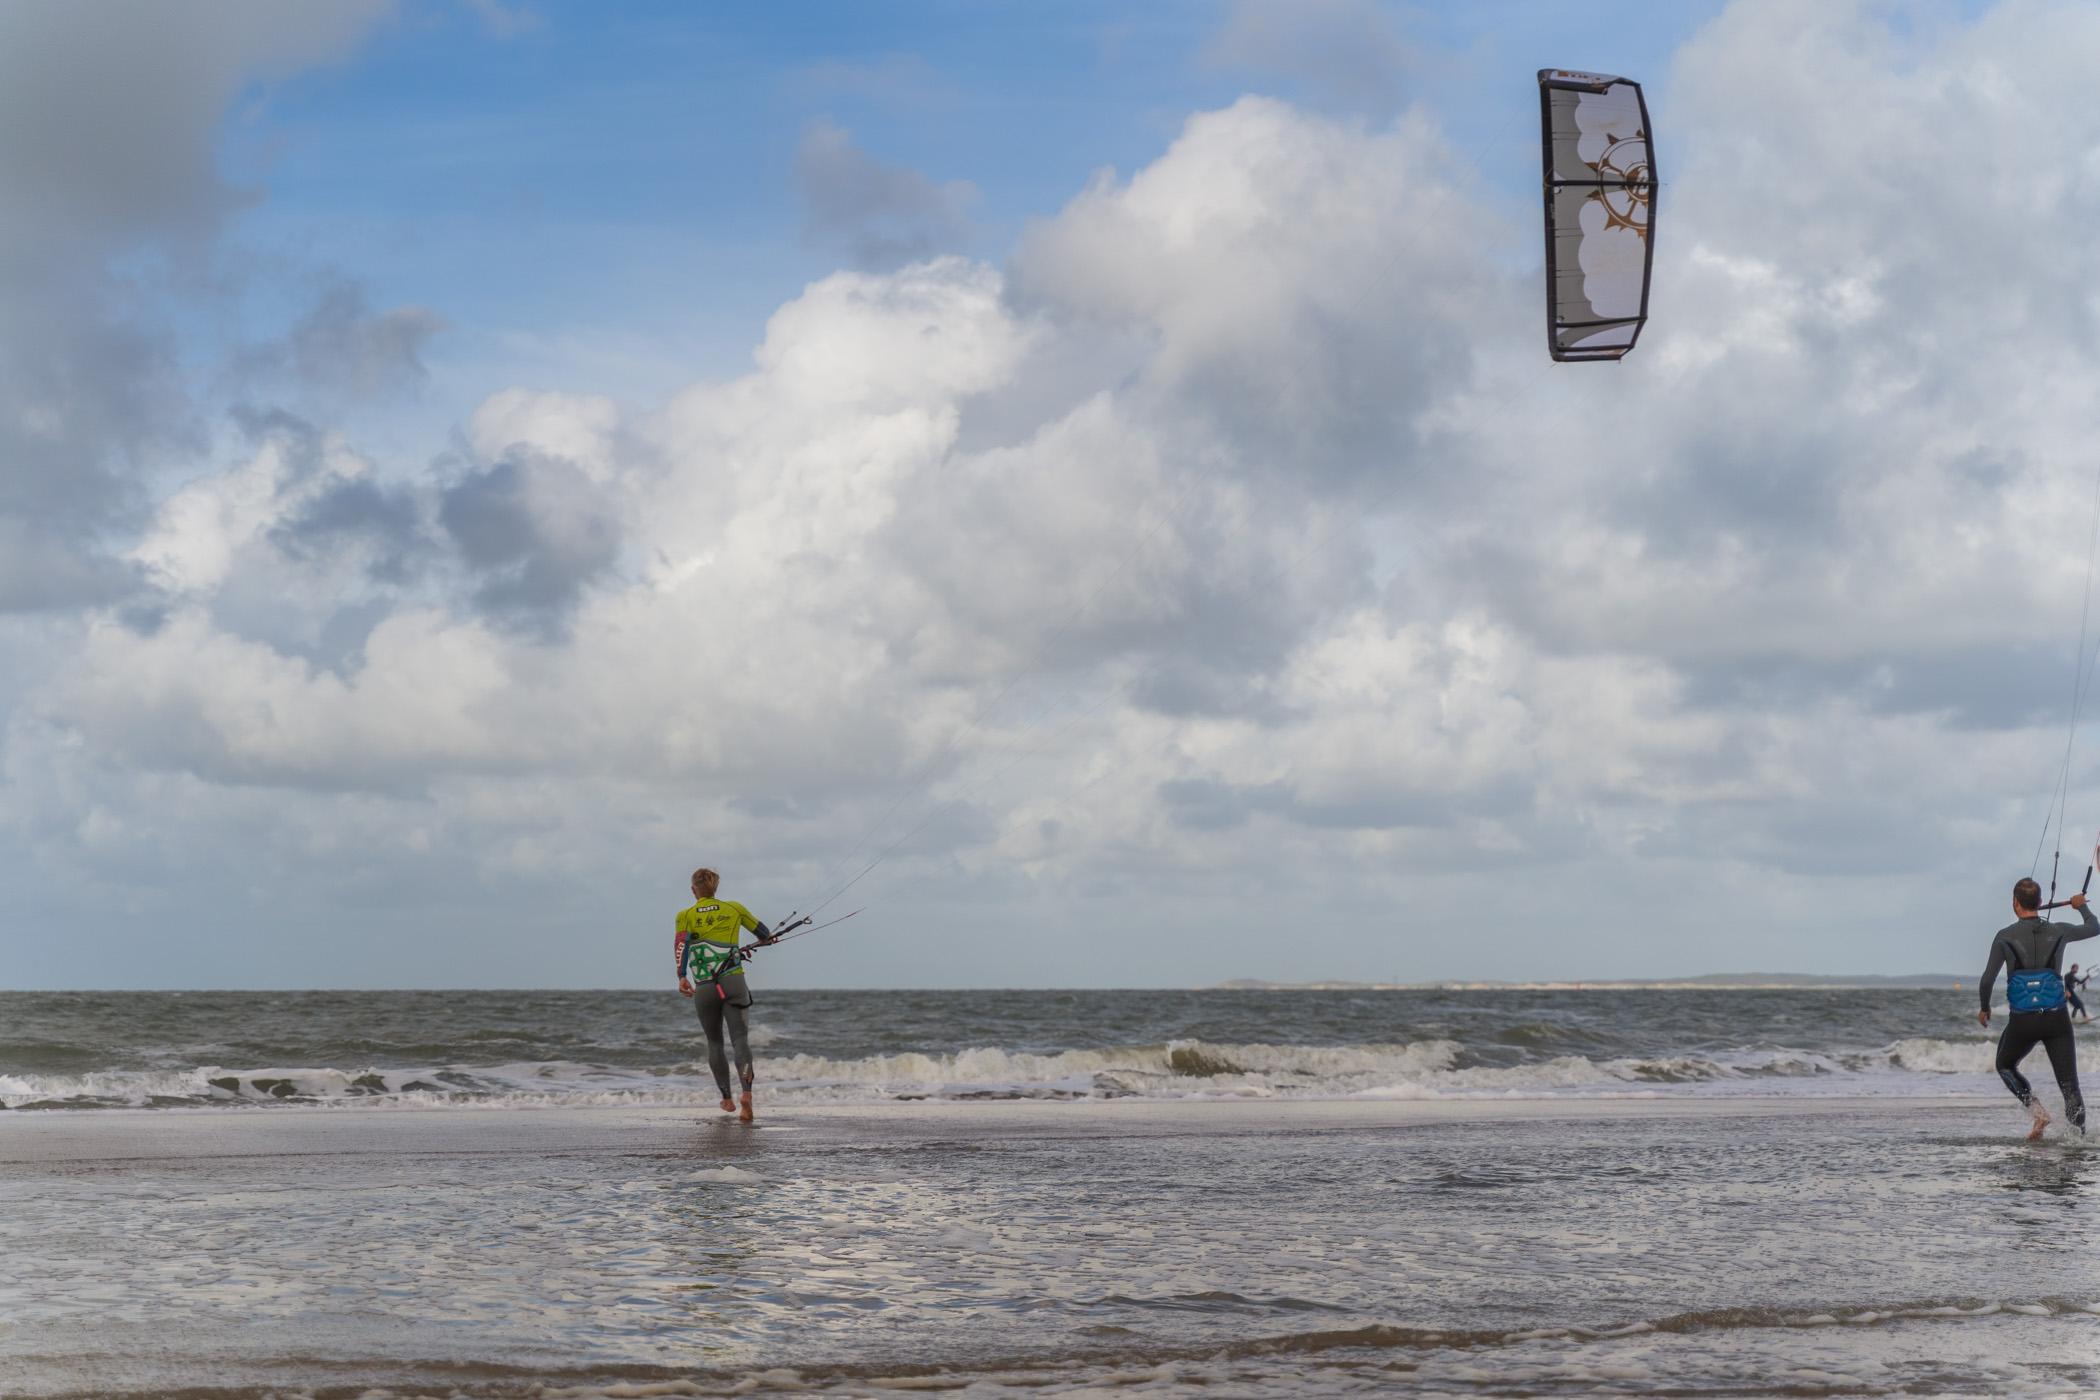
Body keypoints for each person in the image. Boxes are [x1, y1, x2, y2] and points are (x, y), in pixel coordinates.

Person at [1978, 878, 2097, 1139]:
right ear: (2041, 903)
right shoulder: (2060, 930)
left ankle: (2038, 1113)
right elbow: (2094, 927)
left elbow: (1987, 980)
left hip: (2023, 1022)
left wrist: (1985, 1008)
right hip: (2056, 1019)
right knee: (2069, 1086)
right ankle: (2077, 1143)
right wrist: (2080, 907)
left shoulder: (2004, 936)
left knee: (2005, 1064)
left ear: (2015, 903)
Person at [675, 867, 774, 1122]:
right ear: (715, 888)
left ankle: (727, 1098)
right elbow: (765, 935)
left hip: (705, 986)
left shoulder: (684, 915)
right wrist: (762, 941)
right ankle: (747, 1096)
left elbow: (681, 947)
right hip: (734, 982)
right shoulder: (734, 908)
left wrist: (682, 976)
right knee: (740, 1040)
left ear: (693, 890)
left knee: (715, 1042)